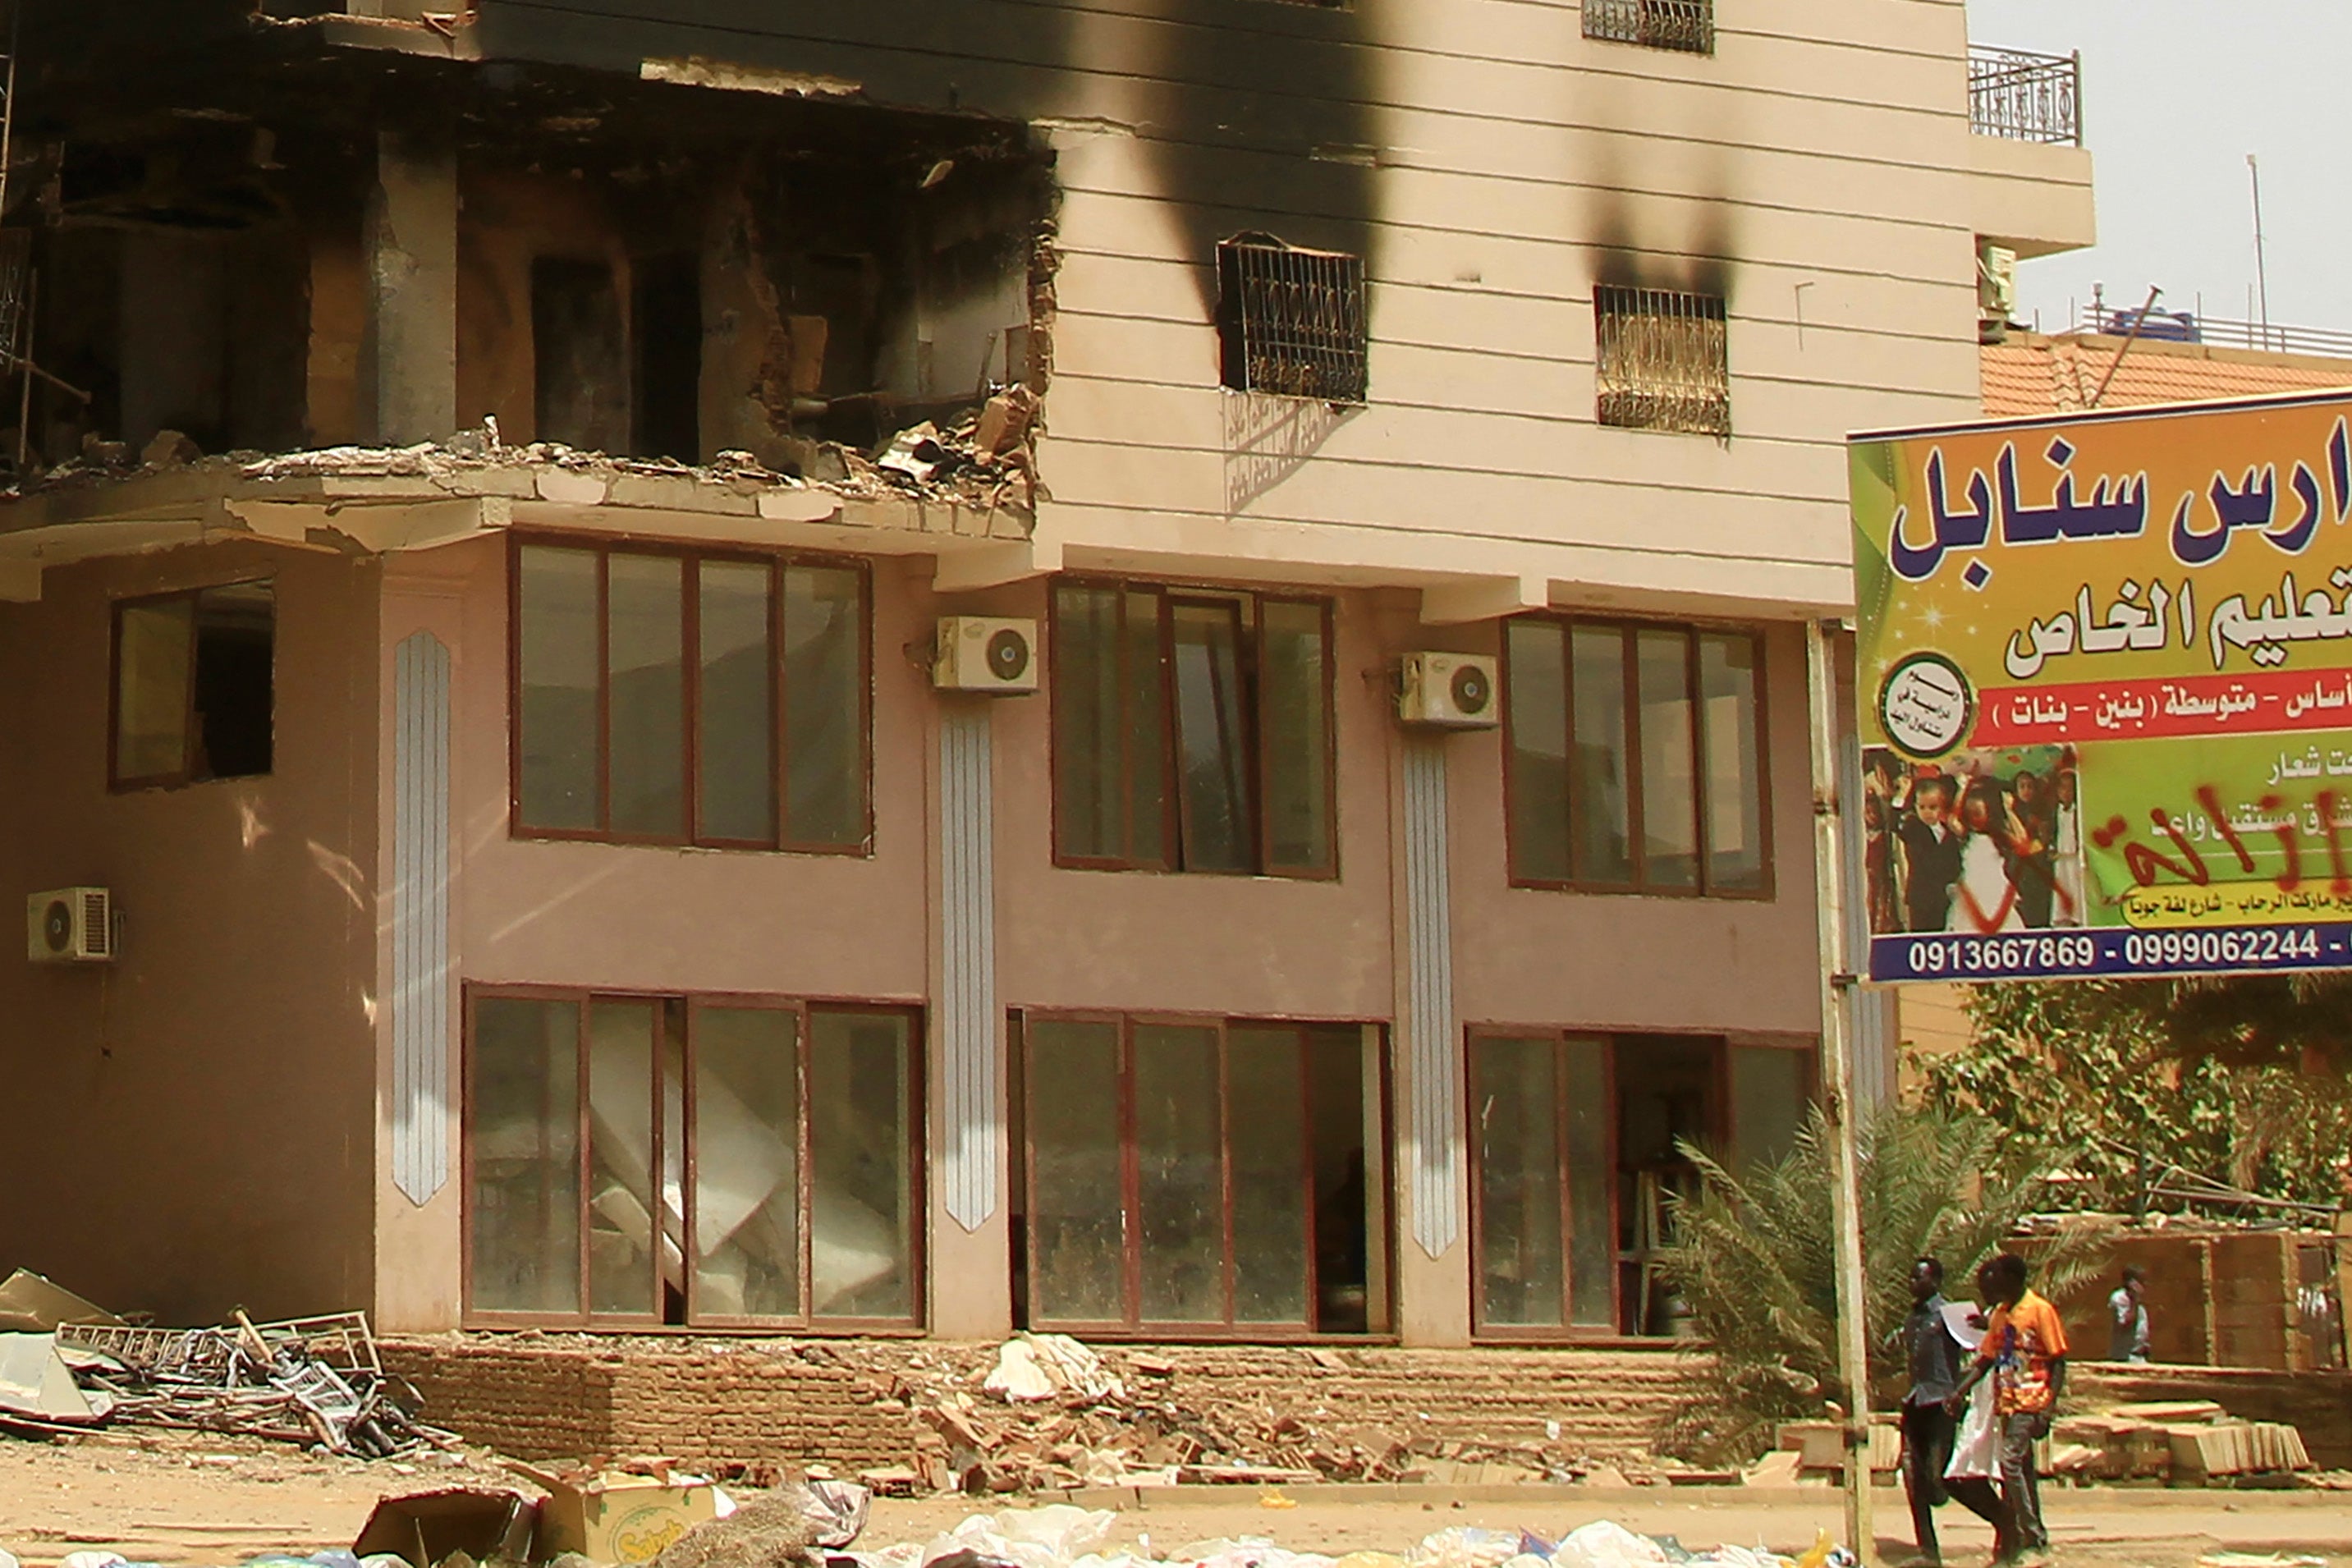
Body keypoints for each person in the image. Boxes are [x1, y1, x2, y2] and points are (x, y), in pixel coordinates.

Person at [1947, 1252, 2068, 1564]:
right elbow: (1986, 1360)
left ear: (2012, 1278)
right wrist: (1959, 1392)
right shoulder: (2001, 1315)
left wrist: (2048, 1408)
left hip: (2033, 1400)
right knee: (2022, 1470)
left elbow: (2058, 1361)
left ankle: (2030, 1534)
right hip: (2008, 1403)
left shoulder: (2041, 1311)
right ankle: (2032, 1538)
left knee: (2009, 1461)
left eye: (1998, 1277)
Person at [1897, 1258, 2008, 1565]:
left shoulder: (1951, 1315)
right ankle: (1928, 1551)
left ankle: (2004, 1521)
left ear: (1935, 1280)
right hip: (1916, 1400)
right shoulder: (1913, 1317)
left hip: (1942, 1402)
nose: (1912, 1283)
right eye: (1910, 1277)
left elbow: (1987, 1349)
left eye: (1918, 1277)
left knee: (1944, 1477)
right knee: (1914, 1478)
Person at [1942, 1266, 2013, 1564]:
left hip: (2004, 1400)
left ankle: (2009, 1540)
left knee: (2006, 1473)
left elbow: (2007, 1355)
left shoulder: (2014, 1315)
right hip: (1982, 1400)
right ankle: (2005, 1524)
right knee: (1957, 1475)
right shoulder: (1995, 1315)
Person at [1948, 777, 2026, 934]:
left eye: (1977, 813)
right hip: (1972, 893)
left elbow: (2022, 840)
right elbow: (1952, 820)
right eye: (1969, 814)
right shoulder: (1966, 836)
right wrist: (1962, 789)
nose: (1972, 819)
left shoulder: (1998, 836)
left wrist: (2009, 810)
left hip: (1995, 891)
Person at [1898, 774, 1963, 933]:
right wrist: (1902, 795)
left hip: (1944, 897)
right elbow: (1895, 823)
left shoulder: (1949, 831)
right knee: (1922, 934)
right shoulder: (1913, 827)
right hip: (1921, 898)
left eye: (1932, 807)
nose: (1927, 812)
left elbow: (1954, 861)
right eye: (1922, 807)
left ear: (1942, 807)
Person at [2108, 1264, 2151, 1364]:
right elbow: (2125, 1322)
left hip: (2139, 1357)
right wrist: (2134, 1300)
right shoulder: (2120, 1298)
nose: (2145, 1284)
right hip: (2126, 1357)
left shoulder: (2138, 1303)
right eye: (2142, 1281)